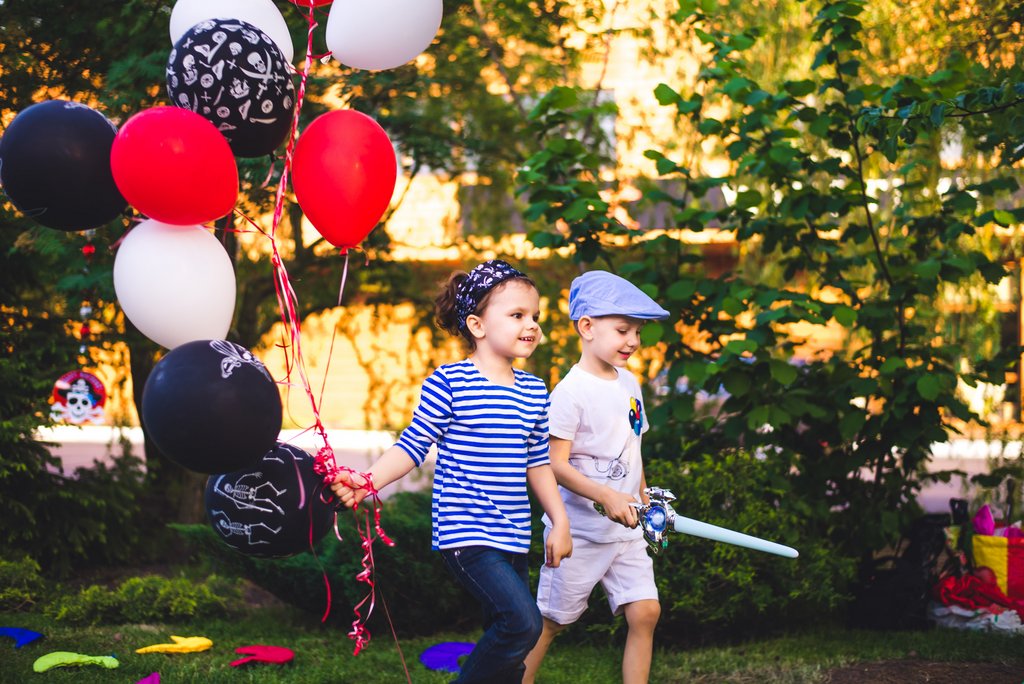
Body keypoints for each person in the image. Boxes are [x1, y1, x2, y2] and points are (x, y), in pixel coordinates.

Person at [331, 259, 573, 684]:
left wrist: (560, 521)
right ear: (477, 326)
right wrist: (368, 482)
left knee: (510, 649)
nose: (531, 325)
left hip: (514, 534)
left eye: (535, 316)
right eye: (517, 315)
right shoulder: (450, 381)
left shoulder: (535, 391)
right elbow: (412, 444)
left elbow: (538, 463)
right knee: (523, 624)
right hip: (467, 534)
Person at [523, 270, 669, 684]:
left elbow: (633, 448)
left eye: (638, 332)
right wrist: (605, 495)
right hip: (581, 534)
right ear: (586, 327)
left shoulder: (630, 383)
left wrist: (644, 498)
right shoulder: (570, 393)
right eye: (623, 330)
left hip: (627, 532)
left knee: (646, 612)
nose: (633, 341)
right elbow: (553, 464)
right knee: (550, 622)